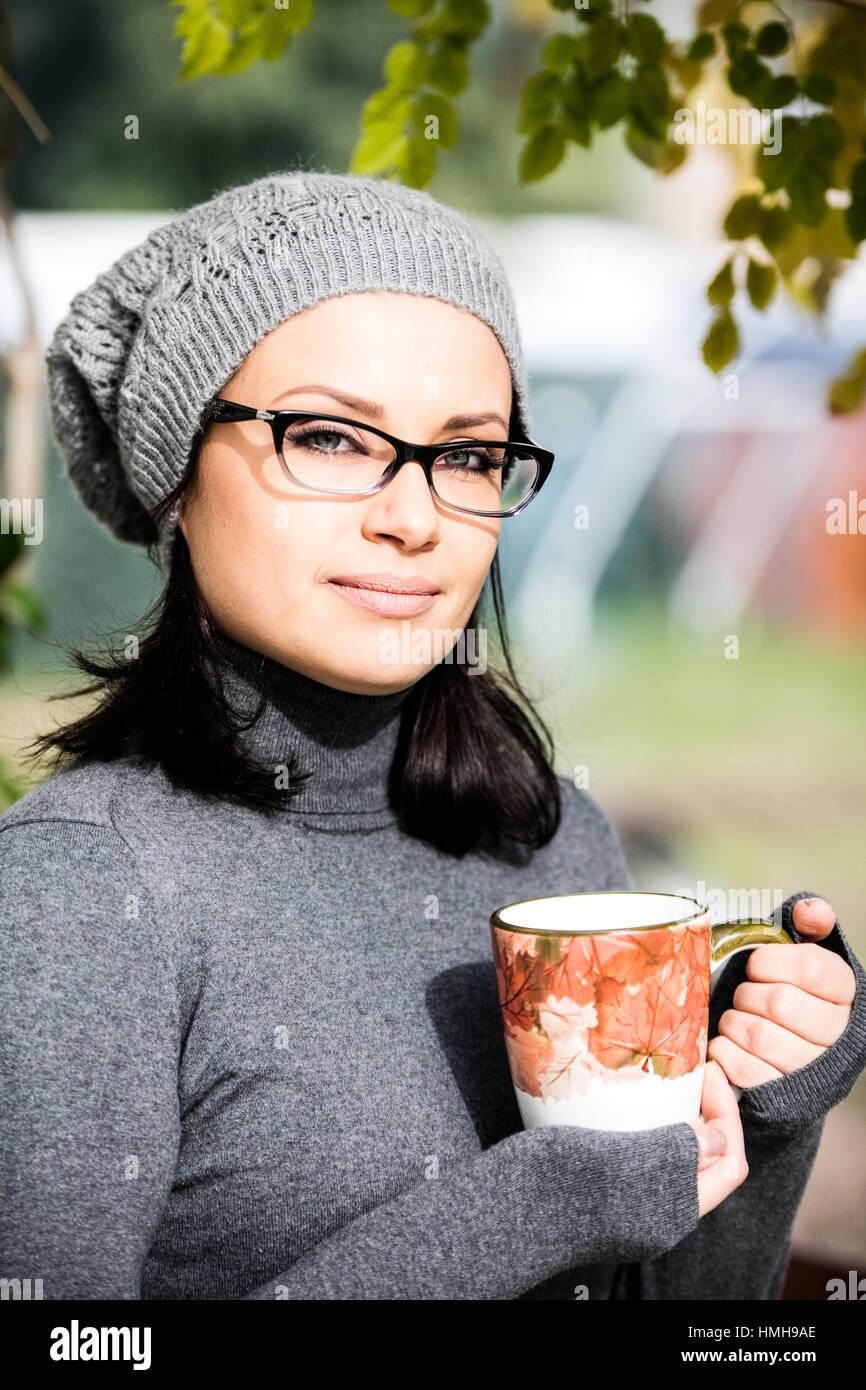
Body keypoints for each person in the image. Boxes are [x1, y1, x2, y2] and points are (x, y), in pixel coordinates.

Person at [0, 169, 863, 1301]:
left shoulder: (555, 846)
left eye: (463, 455)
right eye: (327, 437)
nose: (411, 517)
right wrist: (524, 1209)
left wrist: (765, 1106)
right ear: (177, 483)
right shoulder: (80, 888)